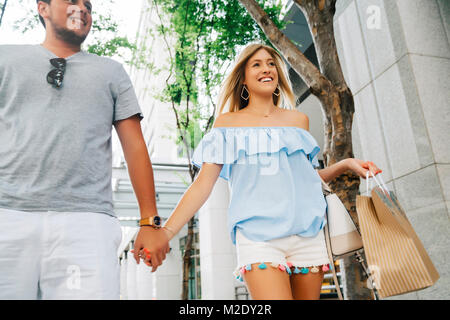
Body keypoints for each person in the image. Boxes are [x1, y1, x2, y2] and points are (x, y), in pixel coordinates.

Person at [141, 43, 382, 300]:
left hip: (308, 234)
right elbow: (202, 184)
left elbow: (305, 179)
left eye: (271, 64)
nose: (267, 69)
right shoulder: (227, 125)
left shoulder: (298, 121)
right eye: (256, 64)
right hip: (258, 237)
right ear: (243, 78)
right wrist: (166, 231)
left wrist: (347, 165)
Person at [0, 0, 169, 299]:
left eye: (88, 5)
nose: (83, 8)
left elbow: (134, 146)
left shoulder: (112, 72)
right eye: (72, 1)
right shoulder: (6, 59)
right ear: (43, 8)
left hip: (87, 222)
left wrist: (150, 222)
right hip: (8, 216)